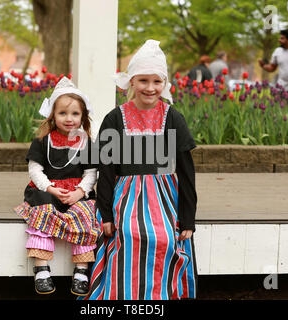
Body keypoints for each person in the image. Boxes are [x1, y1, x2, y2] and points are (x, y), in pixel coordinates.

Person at [83, 39, 198, 300]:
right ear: (131, 82)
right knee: (128, 235)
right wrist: (106, 215)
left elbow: (186, 172)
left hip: (164, 196)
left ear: (165, 84)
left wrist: (188, 217)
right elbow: (107, 169)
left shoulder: (172, 117)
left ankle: (158, 295)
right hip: (127, 197)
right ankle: (124, 294)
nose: (150, 87)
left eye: (157, 81)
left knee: (166, 238)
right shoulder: (115, 117)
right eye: (143, 80)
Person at [14, 77, 99, 296]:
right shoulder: (43, 141)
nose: (69, 119)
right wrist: (50, 188)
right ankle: (41, 268)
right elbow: (35, 170)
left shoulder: (86, 142)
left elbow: (91, 173)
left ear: (83, 116)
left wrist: (80, 192)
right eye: (62, 113)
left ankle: (81, 269)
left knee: (85, 212)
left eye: (75, 114)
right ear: (53, 114)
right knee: (43, 211)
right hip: (47, 190)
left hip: (75, 191)